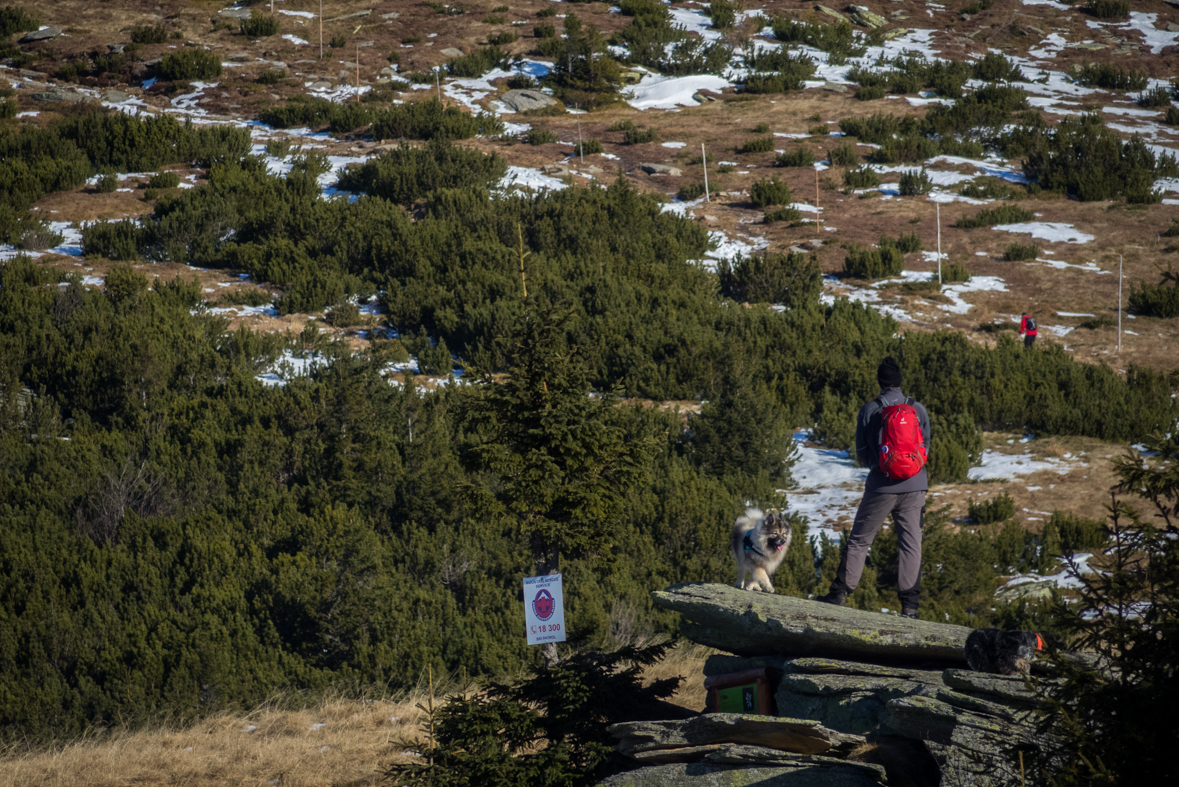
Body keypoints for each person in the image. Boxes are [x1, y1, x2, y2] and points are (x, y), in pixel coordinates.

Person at [816, 357, 930, 619]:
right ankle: (910, 606)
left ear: (879, 382)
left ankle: (840, 593)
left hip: (881, 487)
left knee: (860, 540)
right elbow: (926, 446)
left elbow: (862, 452)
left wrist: (881, 468)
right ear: (900, 381)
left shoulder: (870, 410)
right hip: (915, 487)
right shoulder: (918, 409)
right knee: (911, 544)